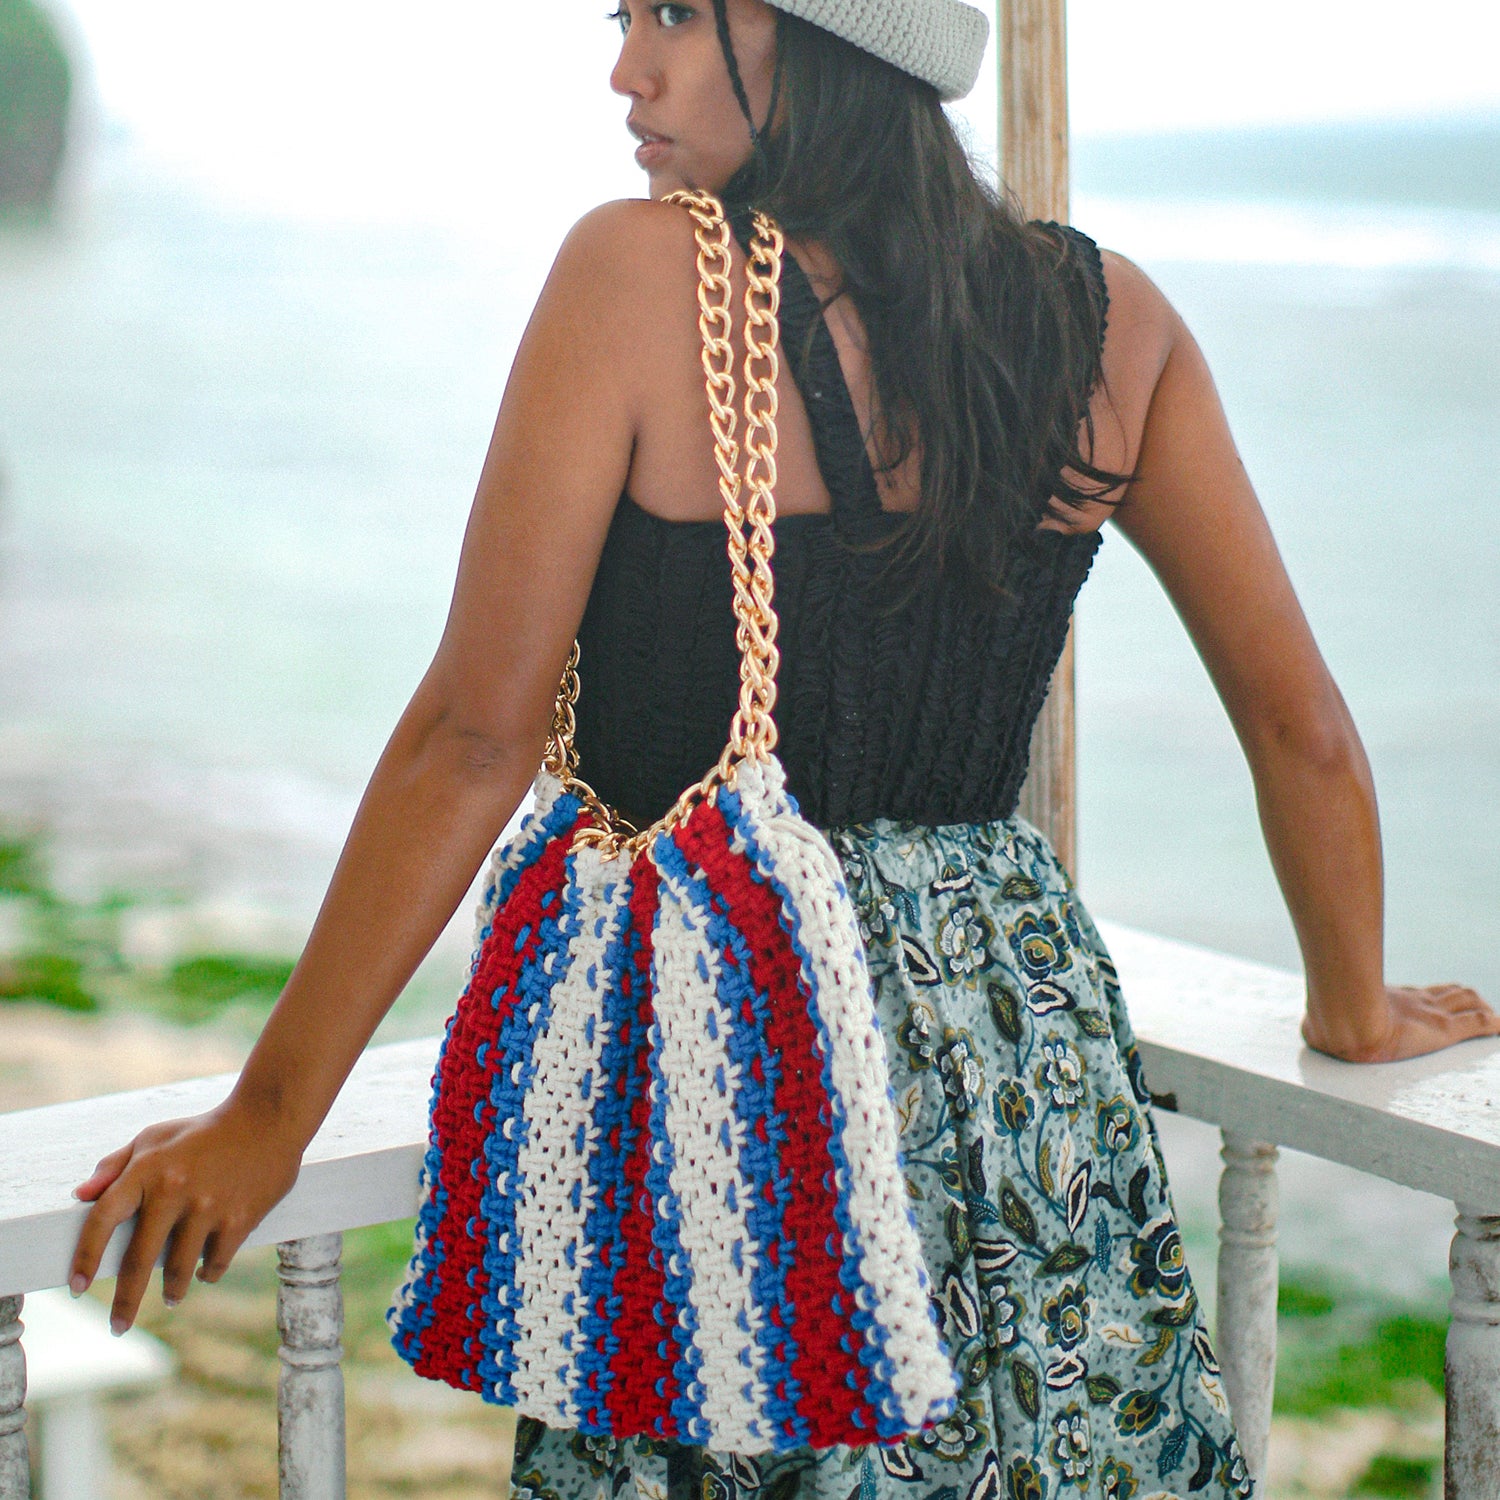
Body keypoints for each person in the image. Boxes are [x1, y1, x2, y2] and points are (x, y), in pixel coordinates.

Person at [68, 1, 1499, 1497]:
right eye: (625, 17)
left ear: (836, 32)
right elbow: (1301, 727)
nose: (628, 65)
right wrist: (1351, 1001)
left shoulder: (636, 274)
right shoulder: (1113, 320)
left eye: (680, 13)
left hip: (739, 1059)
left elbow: (471, 736)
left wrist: (267, 1117)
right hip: (1017, 1059)